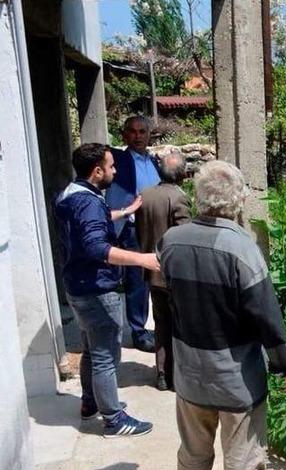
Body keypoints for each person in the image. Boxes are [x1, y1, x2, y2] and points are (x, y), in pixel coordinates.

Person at [158, 161, 286, 470]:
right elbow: (267, 316)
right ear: (239, 200)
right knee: (242, 464)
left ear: (199, 197)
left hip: (189, 373)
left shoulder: (171, 241)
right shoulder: (241, 250)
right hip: (235, 380)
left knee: (193, 455)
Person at [55, 143, 157, 438]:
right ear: (97, 171)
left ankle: (90, 403)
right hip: (97, 289)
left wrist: (125, 211)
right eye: (111, 166)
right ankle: (114, 419)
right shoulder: (88, 203)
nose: (115, 170)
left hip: (77, 285)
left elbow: (90, 223)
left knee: (90, 349)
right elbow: (97, 246)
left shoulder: (71, 194)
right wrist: (142, 259)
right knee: (106, 355)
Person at [135, 152, 191, 391]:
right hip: (174, 274)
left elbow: (139, 231)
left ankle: (161, 374)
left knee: (161, 324)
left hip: (151, 270)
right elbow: (184, 238)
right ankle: (177, 376)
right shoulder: (179, 198)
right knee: (180, 326)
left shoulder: (145, 195)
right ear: (183, 175)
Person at [105, 116, 160, 353]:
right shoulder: (119, 160)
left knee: (159, 275)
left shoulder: (154, 161)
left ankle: (160, 324)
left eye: (142, 132)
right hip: (132, 227)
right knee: (138, 281)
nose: (138, 136)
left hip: (155, 225)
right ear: (124, 135)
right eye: (132, 132)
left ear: (149, 135)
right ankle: (139, 331)